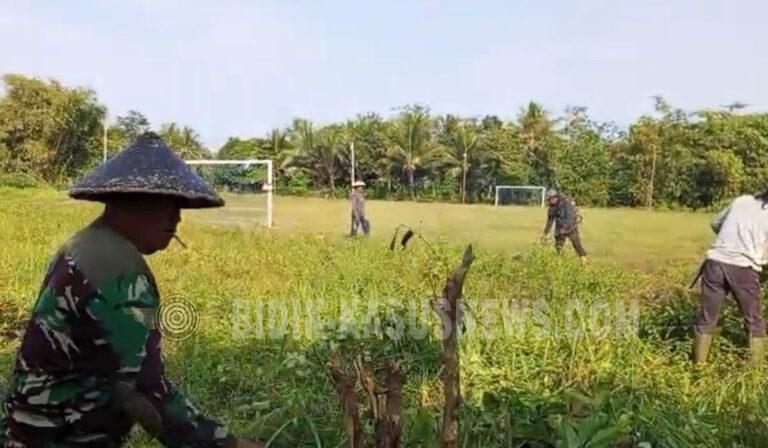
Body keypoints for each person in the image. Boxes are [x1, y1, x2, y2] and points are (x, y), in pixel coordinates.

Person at [0, 133, 263, 448]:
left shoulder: (85, 244)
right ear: (129, 202)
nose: (177, 218)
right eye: (167, 206)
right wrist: (227, 445)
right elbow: (144, 391)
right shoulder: (119, 269)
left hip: (26, 429)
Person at [692, 191, 768, 366]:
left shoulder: (742, 200)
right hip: (743, 268)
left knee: (707, 318)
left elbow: (715, 223)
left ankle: (699, 368)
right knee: (754, 320)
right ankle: (755, 375)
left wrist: (734, 238)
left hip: (714, 263)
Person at [541, 188, 587, 262]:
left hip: (571, 226)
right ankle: (560, 261)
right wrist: (545, 233)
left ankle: (584, 260)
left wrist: (565, 229)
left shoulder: (566, 203)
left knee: (576, 243)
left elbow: (570, 218)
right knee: (558, 246)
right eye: (549, 199)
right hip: (560, 226)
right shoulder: (552, 207)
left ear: (556, 197)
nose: (551, 201)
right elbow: (550, 220)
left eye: (552, 198)